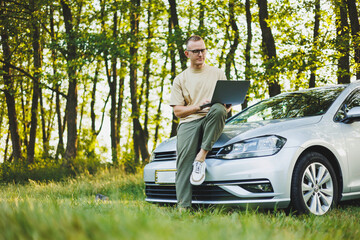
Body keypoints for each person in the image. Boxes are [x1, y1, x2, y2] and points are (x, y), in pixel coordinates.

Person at [169, 35, 231, 209]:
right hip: (189, 121)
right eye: (196, 51)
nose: (200, 54)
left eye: (203, 50)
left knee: (218, 108)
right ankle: (183, 207)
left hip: (212, 118)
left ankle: (201, 156)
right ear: (187, 54)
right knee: (183, 163)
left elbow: (226, 108)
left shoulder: (218, 73)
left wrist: (225, 107)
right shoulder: (180, 79)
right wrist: (197, 107)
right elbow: (178, 111)